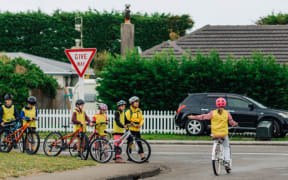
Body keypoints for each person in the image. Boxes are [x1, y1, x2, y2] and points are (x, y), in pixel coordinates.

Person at [188, 97, 238, 170]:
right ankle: (227, 162)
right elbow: (231, 122)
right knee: (226, 147)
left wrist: (193, 117)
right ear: (224, 105)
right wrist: (235, 124)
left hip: (215, 134)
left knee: (216, 142)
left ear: (216, 105)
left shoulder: (212, 113)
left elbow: (203, 117)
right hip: (223, 134)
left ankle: (215, 153)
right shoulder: (227, 113)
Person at [125, 96, 145, 161]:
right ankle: (129, 157)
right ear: (132, 103)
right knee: (130, 143)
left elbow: (142, 119)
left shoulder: (139, 110)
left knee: (139, 143)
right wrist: (133, 124)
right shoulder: (129, 111)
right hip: (131, 130)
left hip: (137, 130)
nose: (137, 103)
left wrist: (140, 124)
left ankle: (143, 157)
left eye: (138, 102)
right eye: (136, 102)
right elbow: (126, 120)